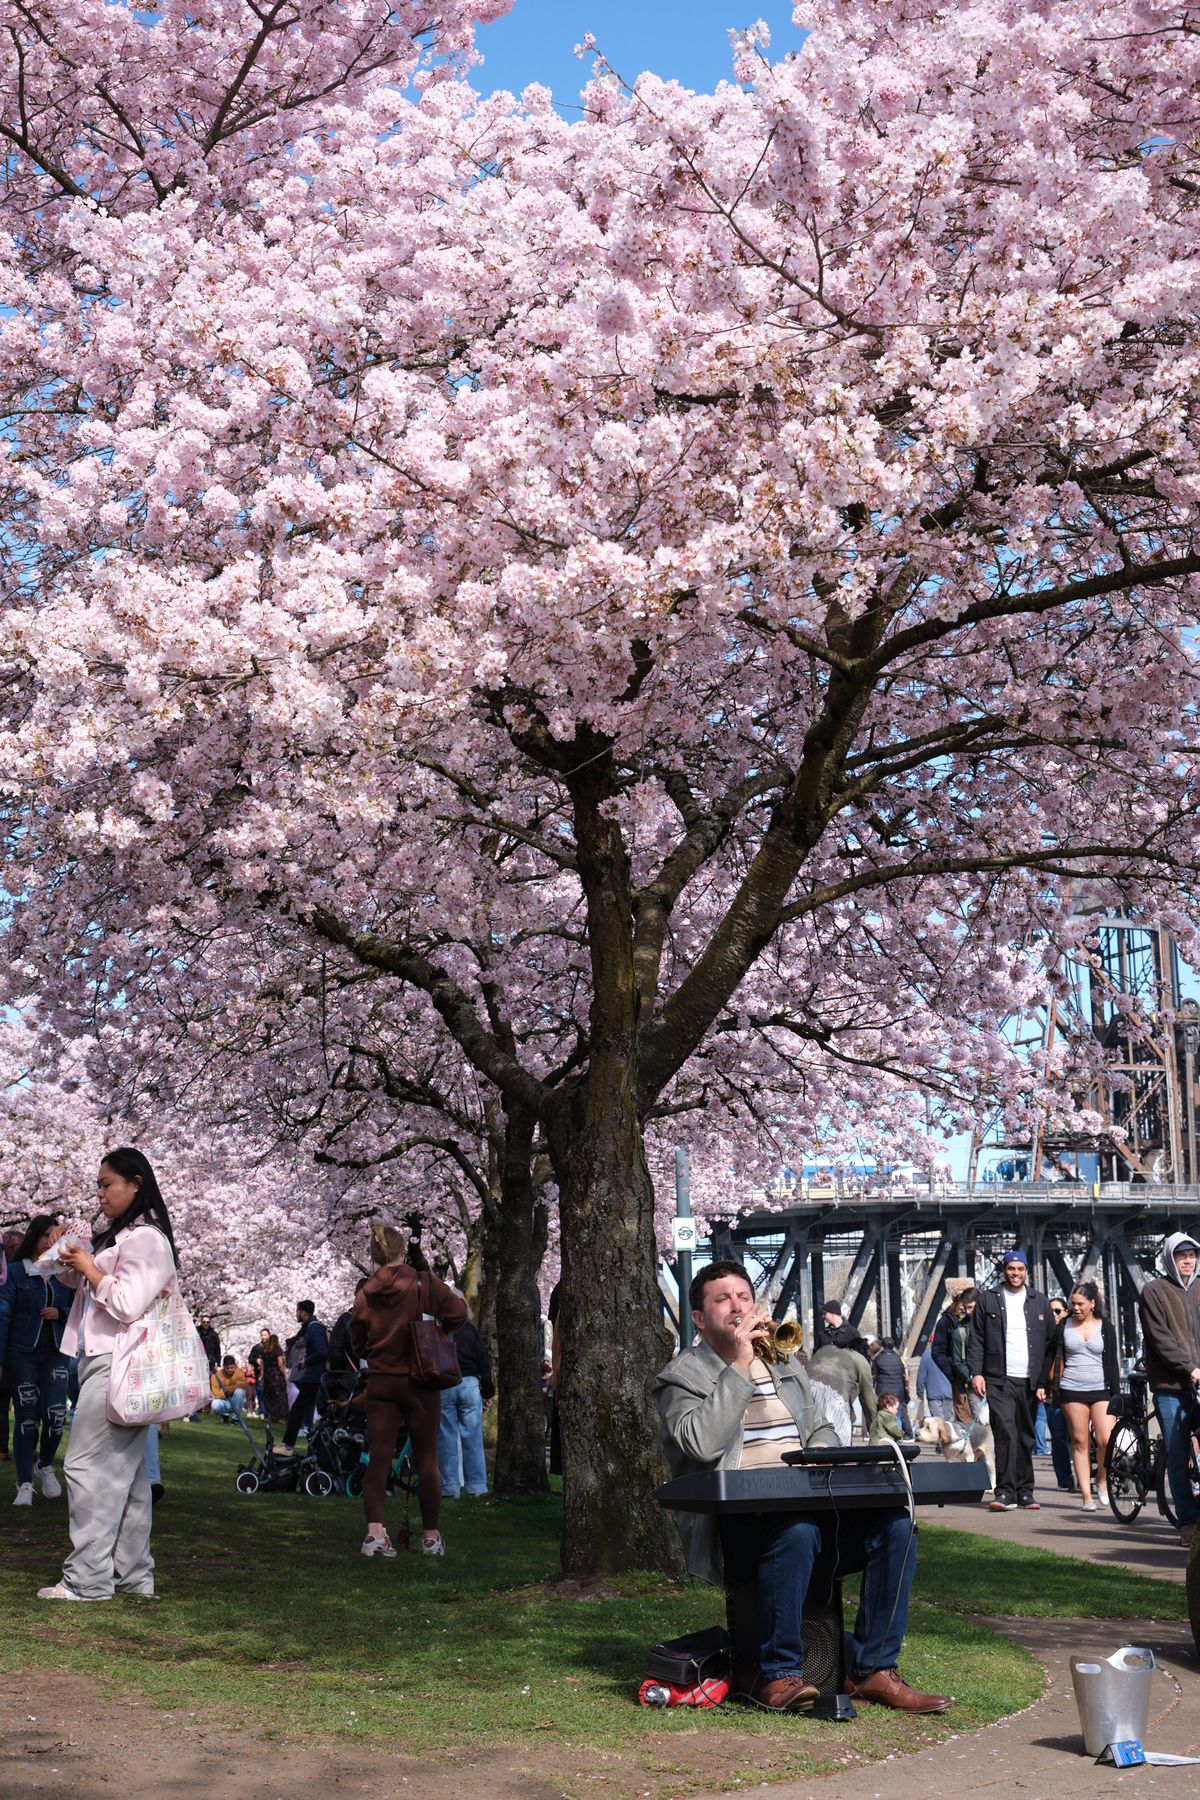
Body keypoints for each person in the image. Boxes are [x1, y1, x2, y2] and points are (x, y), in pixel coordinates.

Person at [654, 1261, 950, 1715]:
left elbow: (821, 1427)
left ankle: (873, 1669)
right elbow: (699, 1441)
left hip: (810, 1500)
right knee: (796, 1529)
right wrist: (739, 1364)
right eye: (722, 1299)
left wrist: (826, 1452)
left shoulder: (784, 1360)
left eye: (744, 1297)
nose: (737, 1306)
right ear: (699, 1318)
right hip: (740, 1523)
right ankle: (779, 1674)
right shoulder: (682, 1376)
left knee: (895, 1525)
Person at [39, 1146, 179, 1601]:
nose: (100, 1194)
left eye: (107, 1184)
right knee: (132, 1478)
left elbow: (124, 1303)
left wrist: (88, 1267)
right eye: (98, 1185)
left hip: (118, 1362)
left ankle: (88, 1579)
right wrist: (71, 1262)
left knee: (85, 1468)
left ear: (135, 1183)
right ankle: (134, 1575)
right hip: (108, 1360)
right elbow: (87, 1291)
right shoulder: (123, 1236)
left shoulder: (147, 1239)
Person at [350, 1221, 467, 1559]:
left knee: (378, 1458)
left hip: (382, 1382)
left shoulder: (364, 1293)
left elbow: (357, 1342)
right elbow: (458, 1313)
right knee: (427, 1458)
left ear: (373, 1255)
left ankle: (374, 1534)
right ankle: (430, 1536)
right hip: (420, 1380)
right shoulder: (423, 1282)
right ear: (404, 1249)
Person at [967, 1251, 1051, 1513]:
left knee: (1026, 1436)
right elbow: (976, 1338)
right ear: (1004, 1270)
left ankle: (1026, 1492)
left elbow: (1050, 1344)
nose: (1016, 1273)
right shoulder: (989, 1300)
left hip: (1029, 1379)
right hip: (998, 1378)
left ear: (1027, 1271)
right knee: (1005, 1431)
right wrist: (976, 1373)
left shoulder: (1039, 1302)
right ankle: (1005, 1491)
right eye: (1011, 1269)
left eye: (1021, 1269)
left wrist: (1044, 1382)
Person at [0, 1214, 74, 1506]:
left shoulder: (64, 1272)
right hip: (22, 1352)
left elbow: (76, 1306)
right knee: (26, 1419)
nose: (50, 1241)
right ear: (34, 1237)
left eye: (53, 1235)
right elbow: (3, 1315)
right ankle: (24, 1484)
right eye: (45, 1235)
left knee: (56, 1416)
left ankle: (44, 1464)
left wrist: (61, 1313)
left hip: (55, 1351)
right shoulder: (17, 1272)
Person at [1137, 1231, 1200, 1549]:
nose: (1188, 1260)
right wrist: (1191, 1367)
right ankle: (1188, 1523)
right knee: (1177, 1456)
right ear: (1169, 1259)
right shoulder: (1154, 1291)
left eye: (1192, 1255)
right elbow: (1160, 1339)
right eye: (1181, 1255)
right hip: (1171, 1386)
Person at [1036, 1281, 1119, 1512]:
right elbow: (1050, 1356)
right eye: (1073, 1304)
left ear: (1092, 1304)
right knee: (1080, 1441)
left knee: (1106, 1439)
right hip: (1072, 1389)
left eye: (1080, 1304)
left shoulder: (1105, 1326)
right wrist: (1043, 1383)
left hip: (1100, 1388)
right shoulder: (1064, 1326)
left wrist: (1116, 1394)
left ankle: (1101, 1479)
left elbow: (1112, 1361)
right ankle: (1086, 1495)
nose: (1076, 1308)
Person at [438, 1309, 494, 1500]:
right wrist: (487, 1390)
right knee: (473, 1438)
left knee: (447, 1438)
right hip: (469, 1383)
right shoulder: (470, 1329)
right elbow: (483, 1358)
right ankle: (477, 1486)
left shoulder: (438, 1330)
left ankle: (450, 1487)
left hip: (445, 1383)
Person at [276, 1301, 328, 1453]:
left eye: (297, 1311)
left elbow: (322, 1351)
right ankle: (314, 1449)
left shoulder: (314, 1329)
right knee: (304, 1411)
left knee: (297, 1411)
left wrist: (307, 1360)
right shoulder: (311, 1328)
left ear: (303, 1312)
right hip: (313, 1377)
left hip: (314, 1377)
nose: (296, 1314)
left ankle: (288, 1446)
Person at [930, 1287, 979, 1427]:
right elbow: (937, 1352)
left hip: (978, 1375)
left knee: (981, 1417)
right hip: (959, 1378)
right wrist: (953, 1373)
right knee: (965, 1418)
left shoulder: (978, 1318)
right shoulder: (946, 1321)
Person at [871, 1337, 912, 1436]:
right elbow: (903, 1376)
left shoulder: (878, 1359)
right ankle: (898, 1439)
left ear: (882, 1346)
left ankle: (884, 1438)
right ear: (893, 1346)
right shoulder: (899, 1359)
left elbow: (873, 1376)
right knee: (897, 1416)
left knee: (883, 1415)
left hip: (883, 1393)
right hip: (898, 1392)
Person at [253, 1330, 289, 1427]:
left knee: (269, 1397)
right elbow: (280, 1364)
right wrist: (284, 1375)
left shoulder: (265, 1352)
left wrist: (262, 1376)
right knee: (280, 1397)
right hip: (276, 1376)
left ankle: (272, 1416)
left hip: (268, 1377)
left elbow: (262, 1366)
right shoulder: (278, 1351)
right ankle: (281, 1417)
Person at [916, 1338, 954, 1426]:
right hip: (949, 1393)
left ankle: (941, 1439)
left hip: (933, 1395)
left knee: (938, 1423)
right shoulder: (950, 1354)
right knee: (949, 1423)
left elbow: (921, 1377)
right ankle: (948, 1439)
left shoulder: (926, 1356)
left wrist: (920, 1393)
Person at [210, 1355, 248, 1422]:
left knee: (240, 1392)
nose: (230, 1370)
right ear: (224, 1366)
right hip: (224, 1401)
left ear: (235, 1366)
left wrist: (226, 1389)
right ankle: (225, 1416)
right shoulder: (216, 1376)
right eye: (228, 1368)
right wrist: (234, 1388)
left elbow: (242, 1386)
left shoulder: (239, 1372)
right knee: (214, 1404)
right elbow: (216, 1394)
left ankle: (236, 1419)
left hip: (236, 1401)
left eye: (232, 1368)